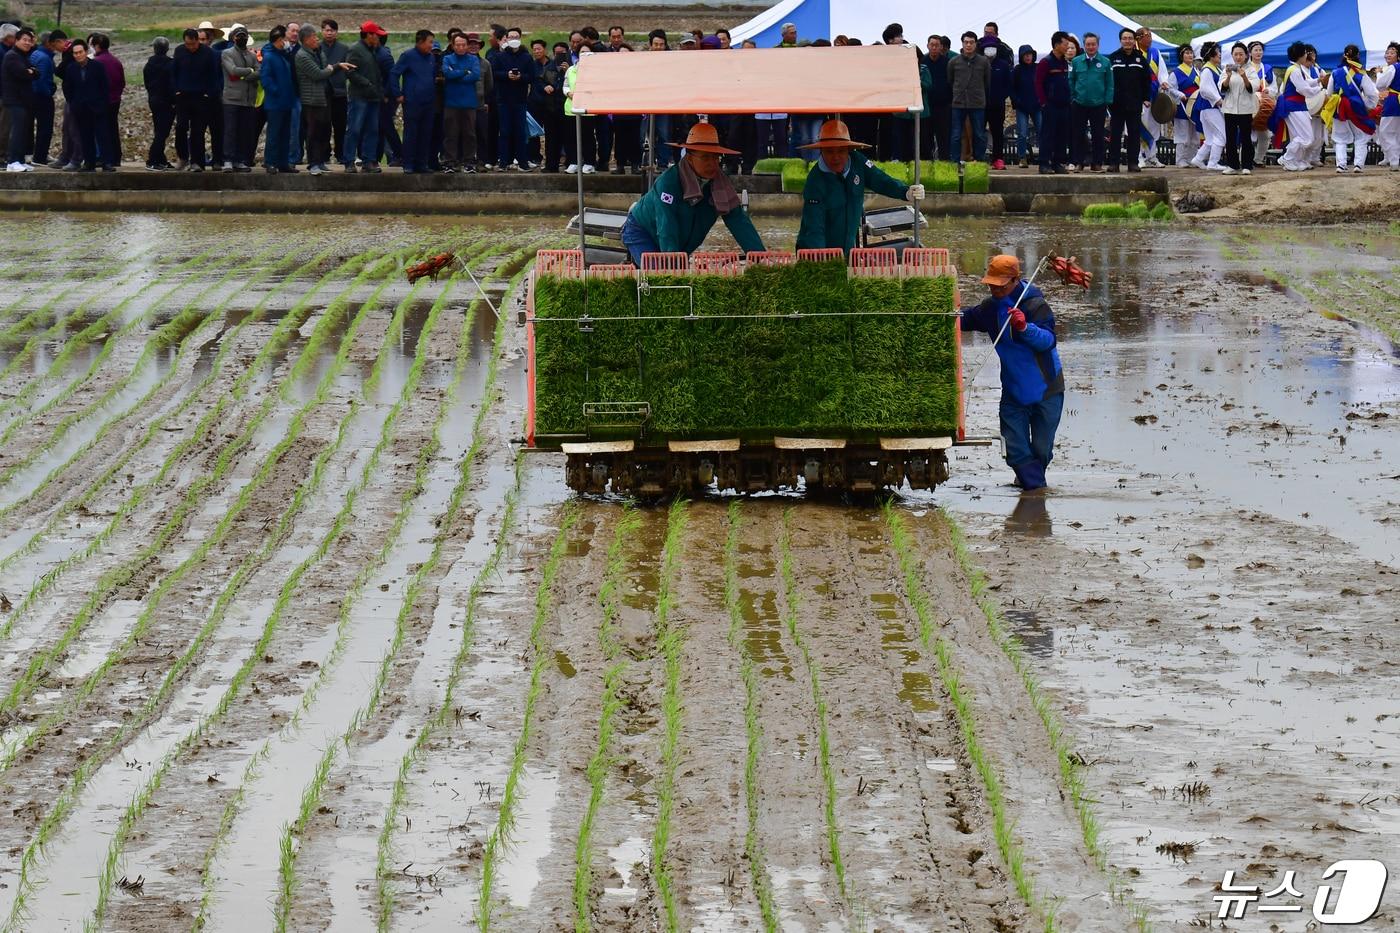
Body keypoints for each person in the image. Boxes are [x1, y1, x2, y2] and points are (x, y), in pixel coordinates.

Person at [962, 254, 1064, 492]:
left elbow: (1048, 341)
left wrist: (1024, 327)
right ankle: (1035, 493)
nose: (994, 288)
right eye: (991, 284)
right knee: (1016, 449)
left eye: (1000, 284)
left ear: (1015, 280)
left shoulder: (1034, 305)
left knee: (1041, 449)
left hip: (1046, 388)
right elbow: (964, 320)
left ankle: (1033, 494)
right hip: (1014, 391)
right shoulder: (990, 309)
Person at [620, 121, 765, 264]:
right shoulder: (669, 182)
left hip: (682, 242)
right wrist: (673, 265)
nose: (712, 163)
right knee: (659, 274)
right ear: (689, 158)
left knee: (679, 276)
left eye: (716, 158)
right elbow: (666, 227)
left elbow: (738, 220)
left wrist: (760, 256)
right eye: (706, 158)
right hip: (642, 231)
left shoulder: (721, 184)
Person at [794, 119, 924, 253]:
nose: (836, 157)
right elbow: (814, 229)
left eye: (841, 151)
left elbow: (880, 180)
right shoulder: (815, 181)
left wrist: (906, 192)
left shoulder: (858, 162)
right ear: (821, 151)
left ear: (849, 150)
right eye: (829, 152)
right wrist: (821, 260)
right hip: (814, 252)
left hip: (847, 250)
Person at [295, 25, 351, 174]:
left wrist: (337, 66)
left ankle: (320, 161)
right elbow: (318, 74)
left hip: (325, 97)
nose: (317, 39)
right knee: (313, 132)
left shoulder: (317, 52)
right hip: (312, 99)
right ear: (306, 40)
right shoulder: (302, 55)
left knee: (324, 131)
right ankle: (313, 163)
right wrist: (331, 69)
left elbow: (326, 68)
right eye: (314, 36)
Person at [1269, 41, 1322, 172]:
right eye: (1305, 53)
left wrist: (1318, 81)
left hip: (1296, 105)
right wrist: (1320, 89)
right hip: (1294, 106)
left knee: (1298, 136)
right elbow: (1304, 89)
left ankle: (1295, 160)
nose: (1307, 55)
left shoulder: (1296, 69)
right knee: (1307, 137)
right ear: (1300, 55)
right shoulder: (1294, 70)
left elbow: (1306, 82)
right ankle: (1287, 157)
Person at [57, 36, 106, 171]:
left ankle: (106, 162)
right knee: (85, 137)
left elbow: (104, 86)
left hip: (96, 107)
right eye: (75, 53)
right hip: (80, 108)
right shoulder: (71, 68)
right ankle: (89, 163)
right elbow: (67, 88)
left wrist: (102, 104)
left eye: (80, 52)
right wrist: (73, 103)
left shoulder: (97, 66)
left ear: (86, 52)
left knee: (102, 135)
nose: (78, 55)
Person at [172, 27, 218, 170]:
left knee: (197, 132)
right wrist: (176, 91)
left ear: (198, 41)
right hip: (183, 96)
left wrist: (208, 94)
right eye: (188, 44)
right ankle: (183, 157)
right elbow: (173, 72)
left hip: (201, 97)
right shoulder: (179, 51)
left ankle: (197, 162)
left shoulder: (207, 53)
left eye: (193, 44)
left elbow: (213, 76)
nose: (191, 47)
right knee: (180, 127)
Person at [392, 29, 437, 174]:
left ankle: (421, 164)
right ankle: (408, 164)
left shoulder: (431, 57)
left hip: (429, 101)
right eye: (430, 42)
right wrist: (398, 94)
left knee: (426, 133)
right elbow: (394, 74)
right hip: (412, 101)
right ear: (420, 41)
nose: (432, 45)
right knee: (411, 133)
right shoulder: (408, 56)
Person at [491, 27, 535, 170]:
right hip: (503, 99)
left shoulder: (527, 57)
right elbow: (494, 74)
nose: (513, 39)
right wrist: (506, 75)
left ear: (520, 38)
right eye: (511, 37)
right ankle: (503, 162)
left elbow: (532, 77)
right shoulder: (499, 56)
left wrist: (521, 76)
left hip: (520, 100)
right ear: (507, 39)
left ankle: (522, 162)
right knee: (504, 131)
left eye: (516, 37)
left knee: (520, 132)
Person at [1331, 44, 1378, 173]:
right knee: (1361, 136)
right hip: (1356, 107)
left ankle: (1341, 165)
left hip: (1340, 107)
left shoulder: (1335, 73)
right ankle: (1358, 165)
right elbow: (1372, 94)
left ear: (1343, 56)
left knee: (1340, 138)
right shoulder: (1361, 75)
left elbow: (1330, 93)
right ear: (1358, 57)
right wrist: (1369, 106)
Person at [345, 21, 385, 172]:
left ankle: (369, 160)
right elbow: (350, 71)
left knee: (372, 130)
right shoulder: (356, 50)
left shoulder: (372, 50)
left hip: (373, 97)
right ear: (369, 35)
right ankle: (349, 161)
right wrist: (366, 84)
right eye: (376, 35)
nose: (378, 39)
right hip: (359, 97)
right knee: (354, 129)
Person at [1069, 31, 1111, 171]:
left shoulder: (1105, 62)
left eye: (1093, 44)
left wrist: (1107, 100)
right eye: (1088, 44)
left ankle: (1097, 162)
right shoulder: (1076, 61)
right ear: (1084, 45)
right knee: (1078, 134)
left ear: (1098, 45)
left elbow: (1109, 84)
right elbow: (1072, 80)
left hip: (1098, 104)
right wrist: (1073, 97)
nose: (1091, 47)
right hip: (1079, 103)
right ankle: (1079, 162)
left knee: (1098, 134)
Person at [1107, 28, 1149, 172]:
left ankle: (1133, 162)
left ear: (1134, 40)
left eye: (1130, 38)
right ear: (1120, 40)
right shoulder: (1112, 58)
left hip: (1134, 104)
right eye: (1125, 38)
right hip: (1116, 104)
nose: (1127, 41)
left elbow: (1146, 80)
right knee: (1115, 134)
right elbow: (1107, 80)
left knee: (1134, 134)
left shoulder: (1140, 58)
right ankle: (1114, 163)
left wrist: (1146, 98)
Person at [219, 25, 257, 171]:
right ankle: (227, 159)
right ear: (233, 38)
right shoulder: (226, 53)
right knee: (230, 130)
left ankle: (239, 160)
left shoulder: (252, 55)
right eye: (239, 36)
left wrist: (244, 75)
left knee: (243, 131)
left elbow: (260, 72)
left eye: (244, 36)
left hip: (248, 99)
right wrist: (250, 71)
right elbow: (232, 71)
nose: (242, 38)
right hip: (231, 99)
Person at [440, 32, 480, 172]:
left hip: (469, 103)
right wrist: (464, 72)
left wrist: (456, 73)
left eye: (463, 45)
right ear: (453, 45)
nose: (461, 47)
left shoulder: (473, 59)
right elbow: (447, 74)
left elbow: (475, 75)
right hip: (451, 102)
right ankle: (450, 162)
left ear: (467, 46)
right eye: (458, 45)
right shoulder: (447, 58)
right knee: (450, 134)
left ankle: (469, 161)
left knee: (469, 134)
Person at [259, 25, 297, 173]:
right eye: (284, 40)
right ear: (280, 40)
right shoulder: (269, 57)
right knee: (274, 134)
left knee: (285, 134)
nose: (286, 43)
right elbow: (266, 79)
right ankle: (270, 162)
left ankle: (283, 163)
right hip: (275, 103)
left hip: (286, 102)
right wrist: (277, 92)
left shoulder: (282, 55)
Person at [948, 31, 990, 162]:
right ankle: (955, 162)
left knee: (979, 134)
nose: (968, 45)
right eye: (966, 42)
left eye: (971, 42)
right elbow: (950, 81)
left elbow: (987, 82)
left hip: (977, 103)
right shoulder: (953, 62)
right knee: (955, 135)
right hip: (958, 103)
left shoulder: (984, 62)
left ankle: (979, 161)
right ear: (962, 44)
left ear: (976, 44)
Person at [1035, 31, 1072, 173]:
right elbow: (1038, 83)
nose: (1067, 47)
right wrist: (1043, 103)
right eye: (1065, 44)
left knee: (1062, 135)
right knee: (1048, 134)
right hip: (1050, 105)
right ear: (1057, 45)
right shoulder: (1046, 62)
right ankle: (1044, 163)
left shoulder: (1063, 62)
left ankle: (1058, 163)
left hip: (1064, 105)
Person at [1219, 42, 1256, 175]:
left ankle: (1247, 165)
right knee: (1230, 137)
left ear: (1246, 55)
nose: (1238, 57)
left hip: (1245, 109)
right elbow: (1222, 88)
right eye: (1236, 54)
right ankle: (1232, 165)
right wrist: (1228, 76)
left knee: (1246, 137)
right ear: (1232, 56)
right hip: (1229, 108)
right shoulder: (1227, 69)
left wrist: (1244, 76)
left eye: (1241, 54)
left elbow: (1253, 88)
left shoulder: (1251, 69)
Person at [1135, 27, 1170, 167]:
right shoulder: (1135, 52)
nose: (1150, 38)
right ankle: (1139, 157)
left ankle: (1152, 156)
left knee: (1154, 125)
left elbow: (1162, 71)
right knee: (1140, 125)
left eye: (1150, 35)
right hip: (1139, 94)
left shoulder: (1155, 52)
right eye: (1147, 36)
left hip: (1154, 93)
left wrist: (1164, 82)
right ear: (1138, 38)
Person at [3, 27, 36, 172]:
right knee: (16, 131)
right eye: (24, 40)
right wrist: (29, 72)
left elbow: (36, 73)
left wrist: (31, 71)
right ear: (16, 40)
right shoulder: (12, 56)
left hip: (24, 100)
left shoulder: (23, 56)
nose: (27, 43)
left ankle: (20, 160)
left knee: (23, 131)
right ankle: (12, 161)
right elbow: (23, 74)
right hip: (15, 99)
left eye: (30, 41)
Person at [1189, 41, 1226, 171]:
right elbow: (1204, 89)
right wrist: (1218, 100)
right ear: (1212, 55)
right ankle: (1213, 163)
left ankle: (1198, 159)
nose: (1220, 54)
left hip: (1208, 107)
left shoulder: (1214, 68)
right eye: (1218, 52)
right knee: (1222, 135)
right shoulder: (1207, 70)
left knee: (1210, 138)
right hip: (1210, 107)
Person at [29, 29, 62, 167]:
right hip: (42, 97)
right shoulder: (44, 58)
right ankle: (40, 156)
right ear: (49, 43)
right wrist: (49, 91)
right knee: (45, 128)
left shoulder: (36, 53)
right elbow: (41, 82)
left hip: (32, 96)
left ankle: (36, 154)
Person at [319, 19, 349, 167]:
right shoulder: (317, 48)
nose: (329, 33)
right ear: (322, 31)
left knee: (340, 125)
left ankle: (341, 154)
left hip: (340, 92)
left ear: (336, 32)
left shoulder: (344, 49)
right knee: (324, 125)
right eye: (326, 30)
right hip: (323, 93)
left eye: (332, 30)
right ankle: (324, 155)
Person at [90, 33, 123, 169]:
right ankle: (116, 157)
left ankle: (103, 157)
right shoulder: (116, 61)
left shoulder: (96, 62)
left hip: (101, 101)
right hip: (115, 100)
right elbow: (122, 82)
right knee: (113, 128)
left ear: (97, 46)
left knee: (101, 131)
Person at [981, 33, 1012, 168]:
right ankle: (979, 158)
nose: (990, 50)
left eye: (992, 47)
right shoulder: (979, 63)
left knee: (998, 132)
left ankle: (998, 159)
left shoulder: (1003, 65)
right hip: (980, 104)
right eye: (987, 47)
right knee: (979, 132)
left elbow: (1008, 84)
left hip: (998, 104)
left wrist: (1001, 96)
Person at [143, 36, 174, 169]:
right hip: (167, 102)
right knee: (163, 132)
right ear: (167, 49)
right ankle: (153, 159)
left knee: (159, 130)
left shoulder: (148, 65)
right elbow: (172, 85)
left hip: (154, 100)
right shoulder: (171, 65)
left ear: (154, 49)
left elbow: (147, 84)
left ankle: (161, 159)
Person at [1167, 44, 1200, 167]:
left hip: (1195, 105)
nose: (1190, 55)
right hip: (1182, 105)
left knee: (1194, 134)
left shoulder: (1197, 71)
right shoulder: (1176, 72)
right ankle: (1180, 159)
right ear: (1181, 56)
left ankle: (1192, 159)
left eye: (1191, 53)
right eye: (1187, 53)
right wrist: (1180, 94)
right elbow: (1170, 89)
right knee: (1182, 134)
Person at [1010, 44, 1040, 167]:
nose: (1028, 57)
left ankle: (1044, 156)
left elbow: (1044, 85)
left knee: (1042, 130)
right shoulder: (1017, 70)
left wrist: (1042, 100)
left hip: (1037, 105)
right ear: (1022, 57)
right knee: (1022, 133)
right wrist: (1016, 101)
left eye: (1030, 55)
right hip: (1022, 106)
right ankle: (1022, 157)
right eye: (1025, 55)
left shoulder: (1038, 68)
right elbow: (1011, 88)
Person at [1246, 41, 1274, 166]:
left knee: (1265, 135)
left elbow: (1274, 87)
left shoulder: (1267, 68)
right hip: (1248, 102)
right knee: (1247, 134)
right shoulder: (1246, 68)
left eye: (1260, 50)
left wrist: (1270, 90)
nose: (1258, 52)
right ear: (1250, 52)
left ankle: (1258, 159)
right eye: (1255, 50)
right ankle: (1245, 159)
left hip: (1262, 103)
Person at [927, 35, 953, 160]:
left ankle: (944, 167)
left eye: (937, 45)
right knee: (926, 139)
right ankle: (926, 167)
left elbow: (952, 82)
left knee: (943, 139)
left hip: (943, 107)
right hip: (926, 107)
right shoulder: (923, 61)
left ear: (941, 47)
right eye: (932, 45)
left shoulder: (947, 62)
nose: (934, 47)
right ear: (928, 46)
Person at [1377, 42, 1400, 171]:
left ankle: (1394, 161)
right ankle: (1392, 159)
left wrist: (1380, 73)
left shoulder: (1393, 68)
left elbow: (1380, 84)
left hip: (1394, 101)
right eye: (1387, 53)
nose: (1388, 55)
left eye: (1392, 52)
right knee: (1397, 132)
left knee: (1386, 131)